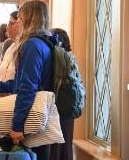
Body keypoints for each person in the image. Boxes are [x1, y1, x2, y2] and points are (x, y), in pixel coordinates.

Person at [0, 0, 55, 160]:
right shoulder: (44, 42)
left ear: (28, 20)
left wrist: (17, 125)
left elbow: (27, 88)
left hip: (30, 115)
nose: (18, 22)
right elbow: (19, 83)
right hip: (37, 113)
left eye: (20, 18)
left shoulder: (32, 45)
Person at [49, 28, 74, 160]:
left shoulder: (57, 59)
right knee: (66, 146)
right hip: (68, 108)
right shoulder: (70, 57)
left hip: (58, 107)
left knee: (55, 148)